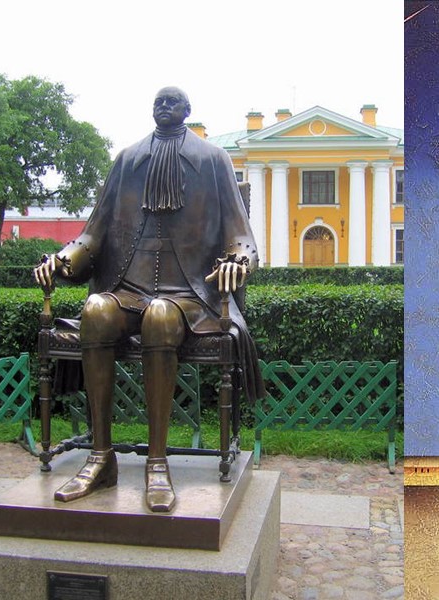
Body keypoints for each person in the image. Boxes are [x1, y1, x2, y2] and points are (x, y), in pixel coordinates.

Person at [34, 86, 264, 512]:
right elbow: (92, 234)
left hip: (191, 294)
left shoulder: (213, 160)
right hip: (128, 288)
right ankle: (101, 458)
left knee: (160, 315)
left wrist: (238, 261)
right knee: (96, 309)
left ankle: (157, 463)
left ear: (187, 110)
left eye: (172, 101)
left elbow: (241, 236)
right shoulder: (127, 160)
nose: (164, 106)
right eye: (159, 101)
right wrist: (62, 260)